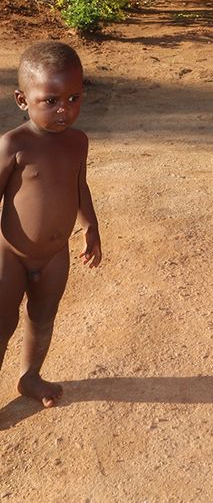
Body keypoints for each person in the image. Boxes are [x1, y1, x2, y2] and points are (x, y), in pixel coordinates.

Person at [0, 41, 101, 406]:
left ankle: (30, 376)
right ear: (22, 100)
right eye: (51, 100)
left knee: (43, 319)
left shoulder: (77, 142)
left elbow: (79, 185)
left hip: (54, 256)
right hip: (10, 255)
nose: (64, 110)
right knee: (1, 325)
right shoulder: (14, 144)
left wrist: (90, 226)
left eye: (74, 99)